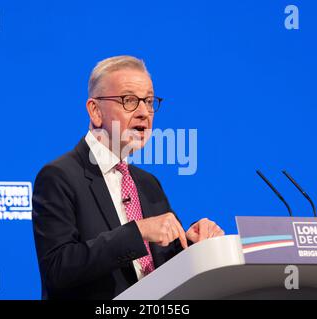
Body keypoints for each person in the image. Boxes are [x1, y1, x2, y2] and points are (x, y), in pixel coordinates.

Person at [32, 55, 224, 299]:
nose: (145, 112)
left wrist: (191, 244)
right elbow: (58, 269)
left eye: (149, 101)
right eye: (129, 100)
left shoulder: (148, 183)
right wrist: (137, 232)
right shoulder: (59, 177)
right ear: (95, 111)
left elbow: (167, 269)